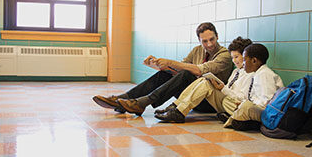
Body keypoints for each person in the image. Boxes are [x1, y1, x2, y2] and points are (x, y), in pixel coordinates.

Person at [92, 22, 233, 116]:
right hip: (189, 96)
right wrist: (159, 65)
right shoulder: (197, 50)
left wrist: (171, 62)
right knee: (167, 73)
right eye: (205, 41)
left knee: (185, 73)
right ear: (199, 40)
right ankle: (123, 100)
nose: (209, 44)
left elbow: (199, 70)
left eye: (212, 39)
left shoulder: (224, 55)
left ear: (217, 36)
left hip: (208, 103)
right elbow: (178, 70)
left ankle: (142, 102)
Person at [154, 37, 254, 123]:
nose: (234, 61)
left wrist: (224, 89)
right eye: (232, 57)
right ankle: (175, 106)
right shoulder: (236, 71)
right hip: (225, 99)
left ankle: (179, 112)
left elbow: (242, 99)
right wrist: (221, 87)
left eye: (237, 57)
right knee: (204, 80)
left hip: (233, 105)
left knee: (205, 84)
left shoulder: (250, 75)